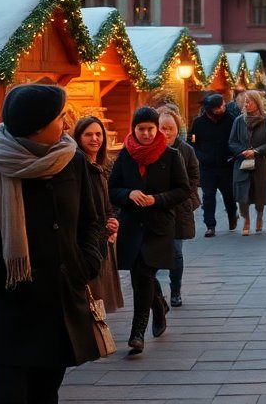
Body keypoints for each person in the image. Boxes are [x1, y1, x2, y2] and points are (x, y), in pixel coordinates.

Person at [0, 84, 104, 402]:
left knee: (47, 396)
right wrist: (0, 275)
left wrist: (86, 264)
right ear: (38, 125)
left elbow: (92, 222)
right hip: (10, 312)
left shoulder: (72, 162)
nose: (66, 123)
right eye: (60, 117)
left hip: (58, 305)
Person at [109, 106, 189, 355]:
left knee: (143, 274)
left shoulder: (171, 155)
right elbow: (112, 189)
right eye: (141, 129)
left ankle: (137, 332)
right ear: (134, 129)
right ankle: (159, 305)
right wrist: (128, 194)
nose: (145, 133)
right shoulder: (125, 156)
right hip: (133, 226)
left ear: (157, 130)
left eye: (150, 129)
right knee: (140, 274)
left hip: (158, 226)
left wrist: (157, 199)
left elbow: (183, 190)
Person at [71, 115, 124, 315]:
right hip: (89, 238)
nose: (95, 139)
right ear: (78, 137)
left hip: (103, 236)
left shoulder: (101, 165)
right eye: (88, 135)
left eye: (98, 134)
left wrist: (112, 220)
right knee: (90, 294)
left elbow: (106, 200)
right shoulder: (79, 166)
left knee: (100, 295)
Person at [157, 106, 199, 308]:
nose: (165, 133)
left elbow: (194, 176)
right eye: (162, 128)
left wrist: (187, 196)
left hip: (178, 208)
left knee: (176, 251)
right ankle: (155, 295)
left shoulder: (186, 150)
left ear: (177, 129)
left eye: (169, 128)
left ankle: (175, 290)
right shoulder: (149, 150)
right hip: (155, 207)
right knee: (151, 255)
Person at [228, 90, 266, 235]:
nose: (247, 104)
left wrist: (256, 151)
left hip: (260, 162)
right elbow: (232, 142)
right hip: (242, 161)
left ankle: (259, 215)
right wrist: (243, 150)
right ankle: (246, 219)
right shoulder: (239, 120)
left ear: (257, 103)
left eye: (250, 101)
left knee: (259, 193)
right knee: (242, 193)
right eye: (245, 102)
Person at [189, 94, 238, 237]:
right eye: (219, 106)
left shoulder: (230, 120)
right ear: (211, 109)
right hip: (207, 166)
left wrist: (232, 155)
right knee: (208, 196)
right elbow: (193, 141)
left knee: (229, 195)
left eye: (223, 105)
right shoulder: (199, 123)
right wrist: (200, 155)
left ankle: (232, 215)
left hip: (226, 164)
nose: (223, 108)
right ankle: (210, 225)